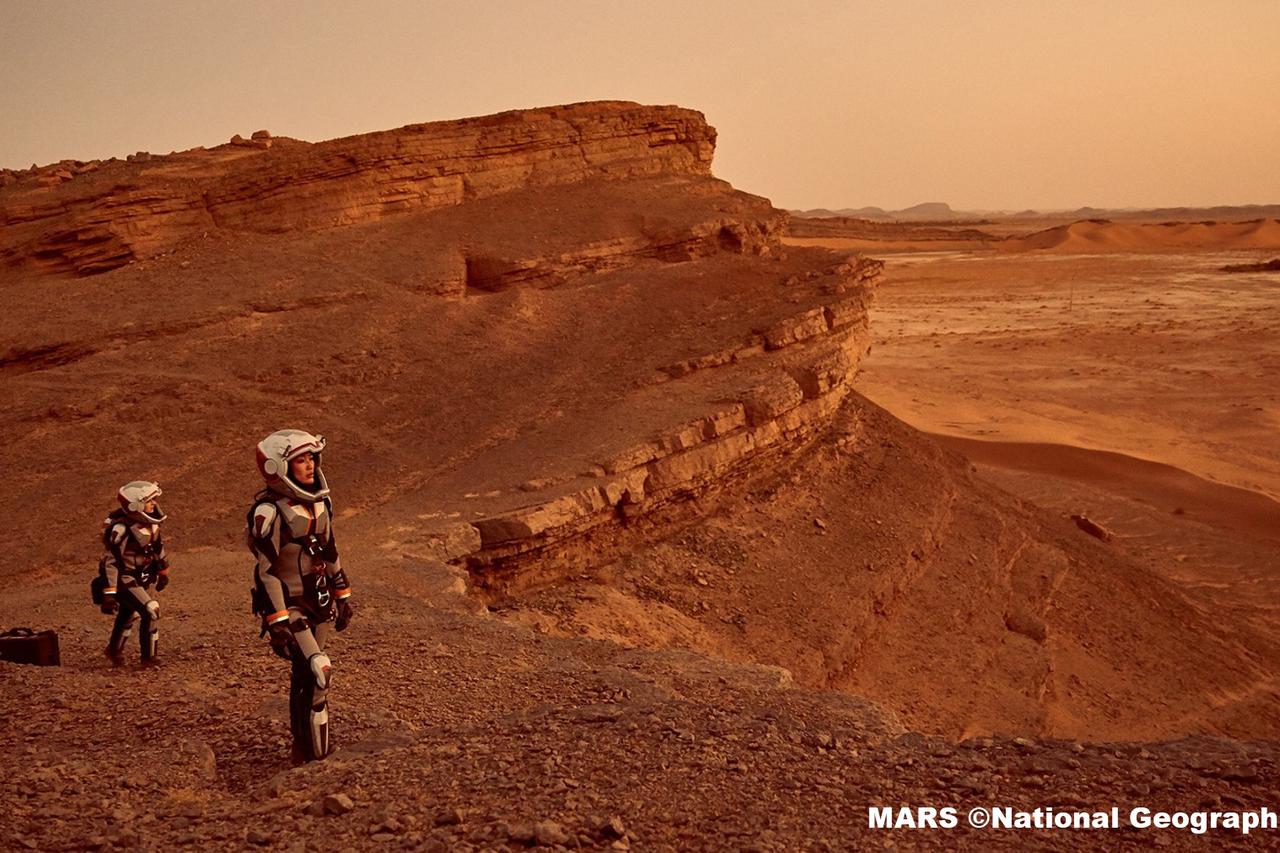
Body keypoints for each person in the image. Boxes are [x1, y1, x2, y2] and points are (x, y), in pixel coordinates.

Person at [246, 429, 353, 762]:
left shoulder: (320, 503)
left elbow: (330, 550)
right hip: (290, 606)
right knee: (321, 669)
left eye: (311, 458)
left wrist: (342, 592)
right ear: (279, 468)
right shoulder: (268, 513)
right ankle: (317, 755)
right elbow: (267, 571)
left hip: (319, 600)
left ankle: (303, 749)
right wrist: (276, 621)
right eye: (300, 460)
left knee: (306, 675)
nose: (309, 466)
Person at [99, 481, 171, 666]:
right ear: (135, 505)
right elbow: (111, 561)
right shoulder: (121, 529)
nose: (154, 504)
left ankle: (114, 650)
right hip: (125, 578)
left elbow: (158, 550)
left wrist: (163, 571)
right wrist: (110, 592)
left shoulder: (151, 526)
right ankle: (149, 658)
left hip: (139, 577)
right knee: (151, 609)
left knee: (128, 614)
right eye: (149, 501)